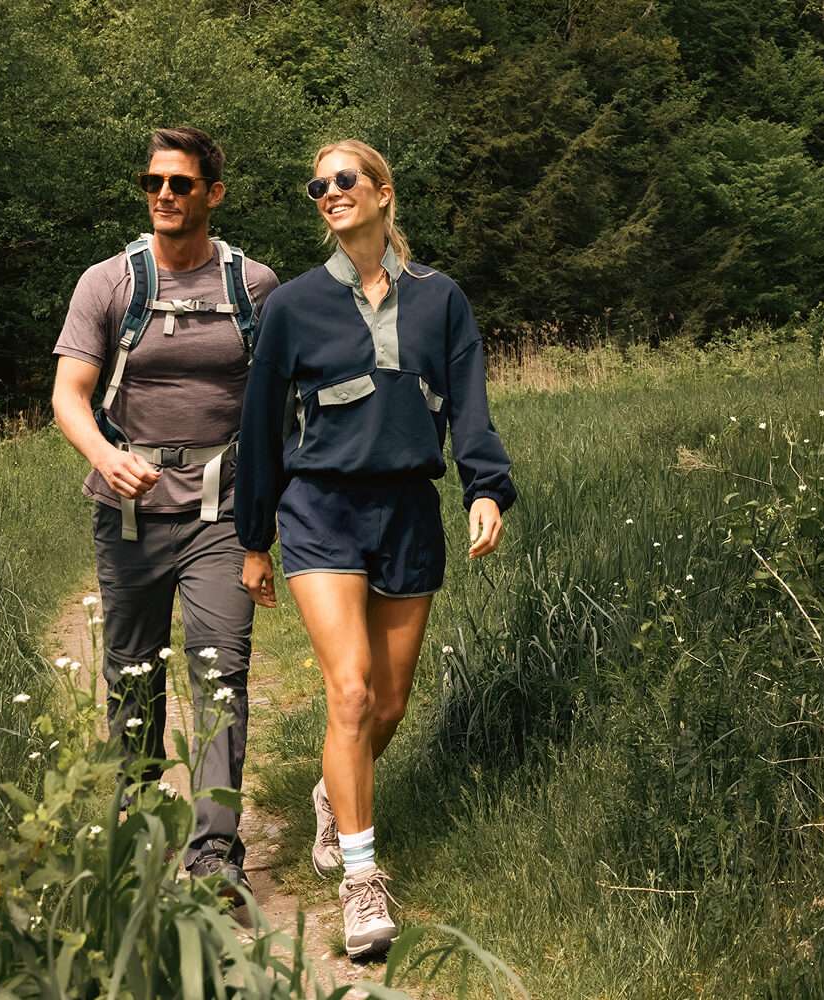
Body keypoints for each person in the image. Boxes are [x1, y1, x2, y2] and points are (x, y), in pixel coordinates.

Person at [235, 139, 516, 959]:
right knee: (350, 693)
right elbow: (261, 430)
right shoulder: (290, 306)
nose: (328, 192)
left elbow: (469, 407)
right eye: (316, 184)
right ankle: (361, 878)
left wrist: (486, 488)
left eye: (343, 179)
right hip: (320, 510)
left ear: (384, 192)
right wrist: (256, 538)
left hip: (407, 515)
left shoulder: (442, 300)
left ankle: (334, 791)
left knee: (387, 706)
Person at [51, 126, 279, 896]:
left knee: (222, 674)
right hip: (127, 518)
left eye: (181, 184)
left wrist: (269, 519)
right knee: (133, 677)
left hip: (220, 515)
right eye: (154, 183)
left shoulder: (255, 287)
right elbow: (68, 396)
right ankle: (141, 832)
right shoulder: (108, 283)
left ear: (213, 193)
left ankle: (215, 853)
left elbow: (280, 405)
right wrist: (102, 455)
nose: (165, 196)